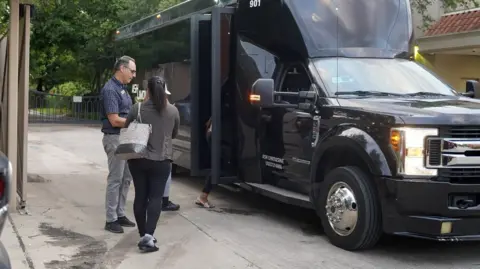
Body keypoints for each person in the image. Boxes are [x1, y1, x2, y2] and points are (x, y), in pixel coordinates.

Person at [125, 75, 180, 252]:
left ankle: (143, 235)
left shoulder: (137, 108)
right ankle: (149, 236)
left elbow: (127, 129)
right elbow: (174, 134)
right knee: (156, 197)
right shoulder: (173, 111)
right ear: (164, 91)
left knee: (141, 195)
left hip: (138, 159)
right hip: (162, 160)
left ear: (147, 90)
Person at [100, 55, 137, 234]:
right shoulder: (110, 90)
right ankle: (111, 219)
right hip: (115, 137)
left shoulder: (123, 89)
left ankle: (120, 213)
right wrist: (136, 121)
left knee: (126, 177)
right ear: (122, 69)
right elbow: (114, 120)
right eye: (132, 71)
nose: (134, 75)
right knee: (116, 178)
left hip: (126, 137)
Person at [194, 117, 214, 208]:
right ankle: (203, 196)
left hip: (211, 134)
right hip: (215, 135)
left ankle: (203, 196)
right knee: (217, 168)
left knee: (216, 166)